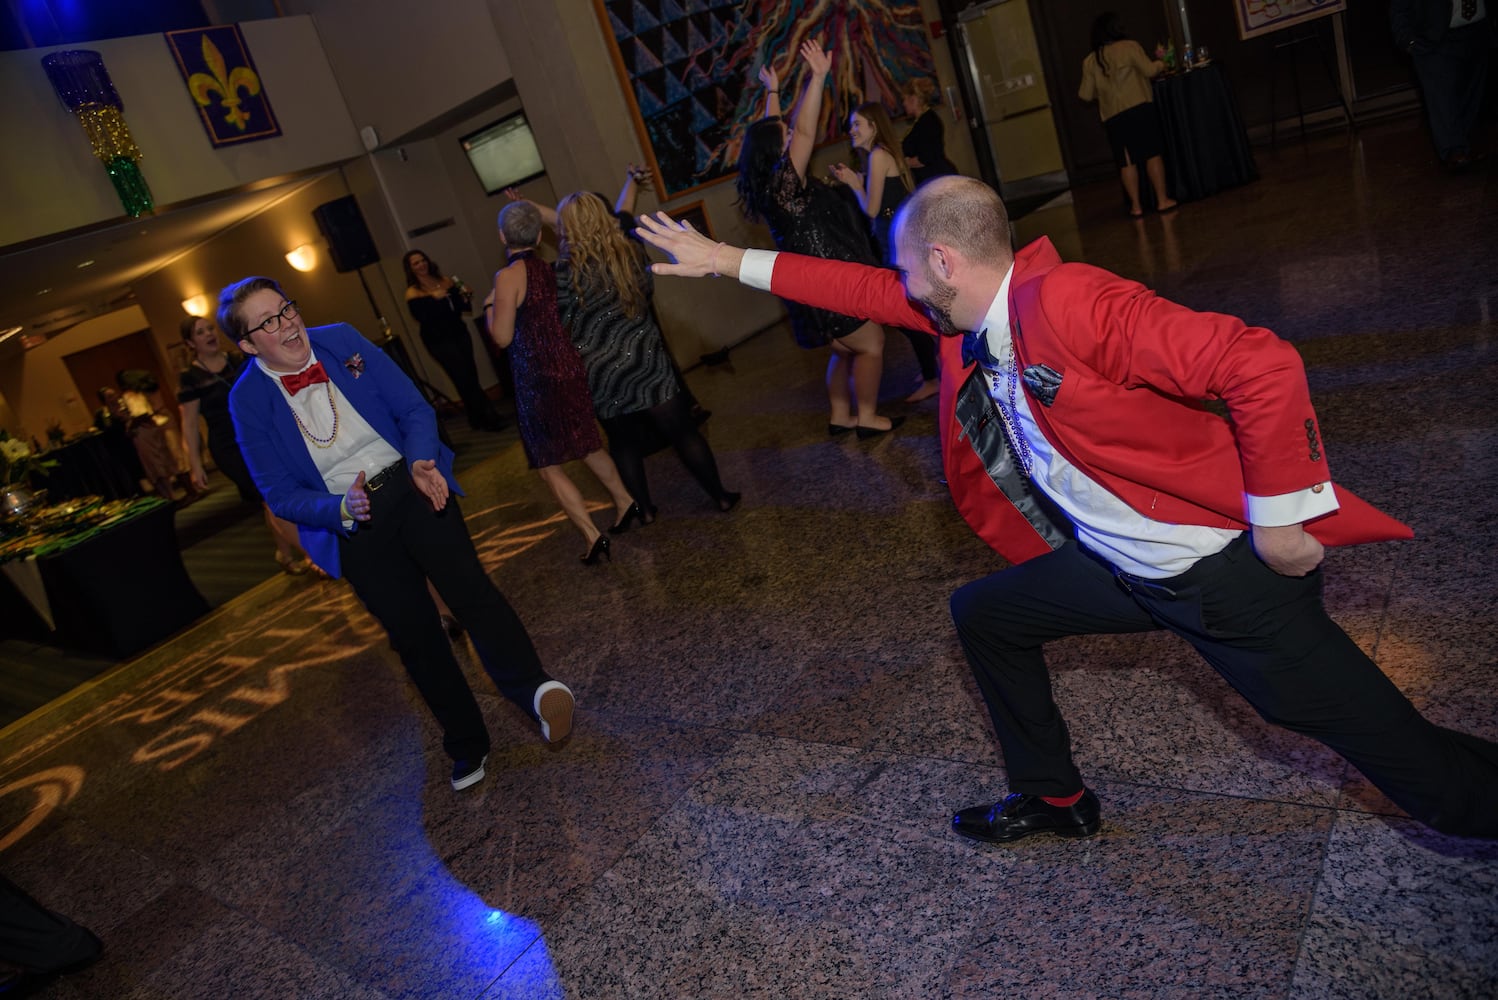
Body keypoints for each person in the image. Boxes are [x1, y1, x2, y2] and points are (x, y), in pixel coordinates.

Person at [633, 175, 1498, 842]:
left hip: (1222, 582)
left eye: (906, 265)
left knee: (1425, 778)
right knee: (985, 613)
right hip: (1125, 567)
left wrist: (1278, 517)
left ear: (942, 262)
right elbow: (856, 289)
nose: (897, 283)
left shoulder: (1071, 302)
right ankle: (1054, 796)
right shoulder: (966, 305)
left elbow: (1260, 364)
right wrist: (723, 262)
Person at [223, 276, 574, 790]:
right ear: (249, 345)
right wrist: (336, 507)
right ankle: (466, 742)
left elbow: (412, 408)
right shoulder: (247, 400)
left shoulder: (341, 339)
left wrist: (422, 460)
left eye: (287, 308)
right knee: (414, 635)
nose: (288, 323)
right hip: (351, 521)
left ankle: (537, 692)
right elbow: (277, 491)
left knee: (471, 593)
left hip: (413, 482)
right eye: (269, 322)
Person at [740, 39, 900, 438]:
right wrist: (818, 76)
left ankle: (839, 414)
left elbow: (771, 132)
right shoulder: (783, 183)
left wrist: (773, 91)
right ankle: (866, 416)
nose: (791, 133)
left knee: (844, 349)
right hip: (826, 275)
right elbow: (806, 131)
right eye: (785, 134)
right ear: (777, 150)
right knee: (870, 343)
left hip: (811, 279)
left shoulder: (771, 183)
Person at [554, 191, 740, 518]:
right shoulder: (630, 251)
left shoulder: (561, 272)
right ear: (603, 216)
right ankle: (720, 496)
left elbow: (563, 321)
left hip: (599, 369)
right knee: (683, 432)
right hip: (645, 358)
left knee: (623, 444)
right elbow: (645, 296)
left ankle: (646, 510)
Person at [488, 199, 640, 564]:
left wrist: (489, 308)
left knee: (547, 464)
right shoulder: (556, 268)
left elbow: (503, 337)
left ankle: (591, 536)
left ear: (501, 237)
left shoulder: (507, 277)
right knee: (587, 442)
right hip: (569, 366)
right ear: (539, 236)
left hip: (536, 378)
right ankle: (625, 500)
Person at [177, 315, 316, 576]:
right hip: (228, 447)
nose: (209, 334)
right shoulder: (190, 376)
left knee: (269, 496)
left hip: (257, 436)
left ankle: (283, 554)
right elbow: (189, 424)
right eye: (200, 332)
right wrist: (195, 466)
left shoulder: (237, 360)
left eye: (210, 328)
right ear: (190, 342)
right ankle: (312, 555)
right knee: (271, 497)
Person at [832, 100, 940, 404]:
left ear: (873, 127)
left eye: (857, 124)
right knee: (911, 309)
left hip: (897, 245)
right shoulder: (881, 155)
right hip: (900, 242)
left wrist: (854, 184)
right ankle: (933, 370)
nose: (851, 130)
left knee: (903, 313)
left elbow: (872, 208)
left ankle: (933, 377)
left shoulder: (878, 156)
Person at [1078, 12, 1178, 218]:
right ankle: (1162, 200)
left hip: (1113, 117)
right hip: (1139, 108)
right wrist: (1162, 63)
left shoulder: (1090, 61)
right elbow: (1150, 70)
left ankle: (1136, 206)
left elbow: (1085, 94)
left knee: (1126, 162)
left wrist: (1102, 89)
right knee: (1151, 153)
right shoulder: (1129, 47)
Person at [402, 249, 507, 432]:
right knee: (462, 377)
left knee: (470, 374)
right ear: (410, 269)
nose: (421, 265)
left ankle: (476, 418)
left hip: (458, 332)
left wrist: (465, 295)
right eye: (416, 263)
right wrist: (434, 300)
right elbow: (423, 317)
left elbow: (461, 308)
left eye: (423, 260)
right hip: (438, 340)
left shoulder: (445, 280)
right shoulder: (413, 292)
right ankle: (489, 416)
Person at [1390, 0, 1493, 171]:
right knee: (1442, 96)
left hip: (1478, 30)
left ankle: (1464, 145)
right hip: (1435, 36)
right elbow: (1399, 5)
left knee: (1471, 93)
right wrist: (1407, 40)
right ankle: (1454, 150)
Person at [899, 76, 957, 185]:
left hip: (937, 179)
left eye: (904, 99)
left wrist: (904, 163)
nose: (903, 104)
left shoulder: (927, 122)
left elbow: (925, 158)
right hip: (932, 178)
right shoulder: (922, 121)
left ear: (914, 99)